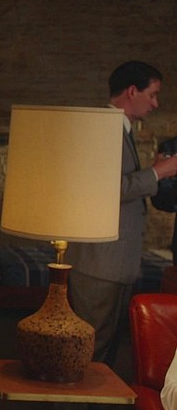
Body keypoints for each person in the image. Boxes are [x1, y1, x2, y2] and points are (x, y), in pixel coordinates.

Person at [67, 60, 177, 366]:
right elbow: (104, 189)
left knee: (104, 350)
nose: (155, 104)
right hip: (100, 264)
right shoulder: (103, 129)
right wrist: (158, 172)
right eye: (152, 94)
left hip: (114, 263)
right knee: (90, 349)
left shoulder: (120, 130)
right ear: (132, 91)